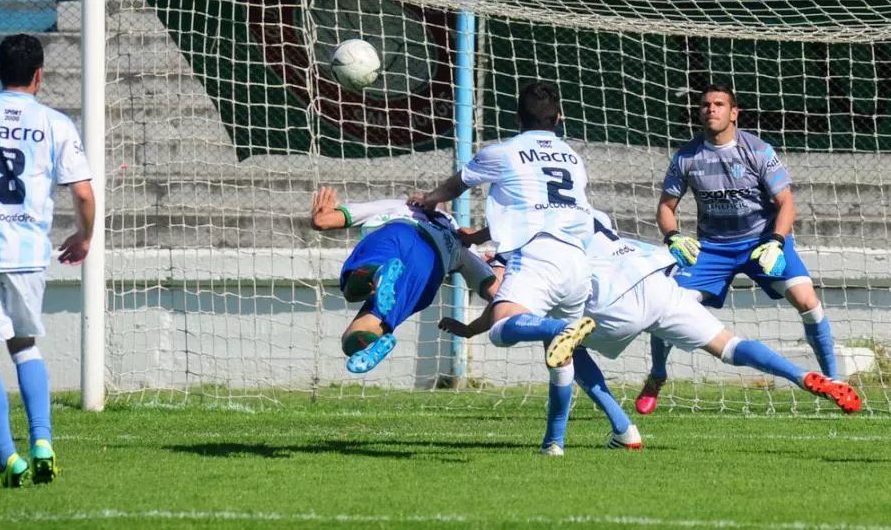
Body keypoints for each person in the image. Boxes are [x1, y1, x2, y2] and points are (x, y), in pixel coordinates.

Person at [442, 219, 861, 453]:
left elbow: (502, 297)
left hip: (611, 299)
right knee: (729, 346)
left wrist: (472, 321)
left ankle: (621, 431)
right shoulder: (586, 211)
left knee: (566, 342)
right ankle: (802, 375)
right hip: (654, 276)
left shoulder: (526, 230)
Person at [0, 34, 95, 487]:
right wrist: (83, 239)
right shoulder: (56, 123)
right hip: (27, 255)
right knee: (24, 345)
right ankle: (42, 441)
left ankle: (9, 459)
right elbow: (83, 193)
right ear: (39, 75)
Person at [410, 81, 598, 454]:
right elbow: (537, 203)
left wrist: (429, 199)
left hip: (537, 255)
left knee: (500, 327)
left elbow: (457, 184)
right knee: (561, 357)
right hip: (578, 261)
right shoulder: (573, 158)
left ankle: (561, 328)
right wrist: (478, 236)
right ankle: (554, 443)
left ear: (517, 118)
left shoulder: (504, 152)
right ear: (558, 118)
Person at [635, 84, 838, 415]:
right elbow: (665, 207)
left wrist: (776, 240)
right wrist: (673, 236)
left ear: (734, 113)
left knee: (808, 302)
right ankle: (658, 375)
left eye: (718, 104)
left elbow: (787, 203)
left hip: (761, 242)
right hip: (712, 250)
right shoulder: (687, 156)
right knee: (665, 307)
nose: (710, 109)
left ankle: (833, 381)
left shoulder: (757, 151)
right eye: (705, 105)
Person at [310, 186, 496, 373]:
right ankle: (372, 343)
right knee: (355, 335)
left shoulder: (401, 207)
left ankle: (378, 273)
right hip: (428, 271)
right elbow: (498, 294)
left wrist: (322, 213)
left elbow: (322, 221)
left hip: (399, 234)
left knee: (353, 288)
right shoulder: (461, 240)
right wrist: (470, 329)